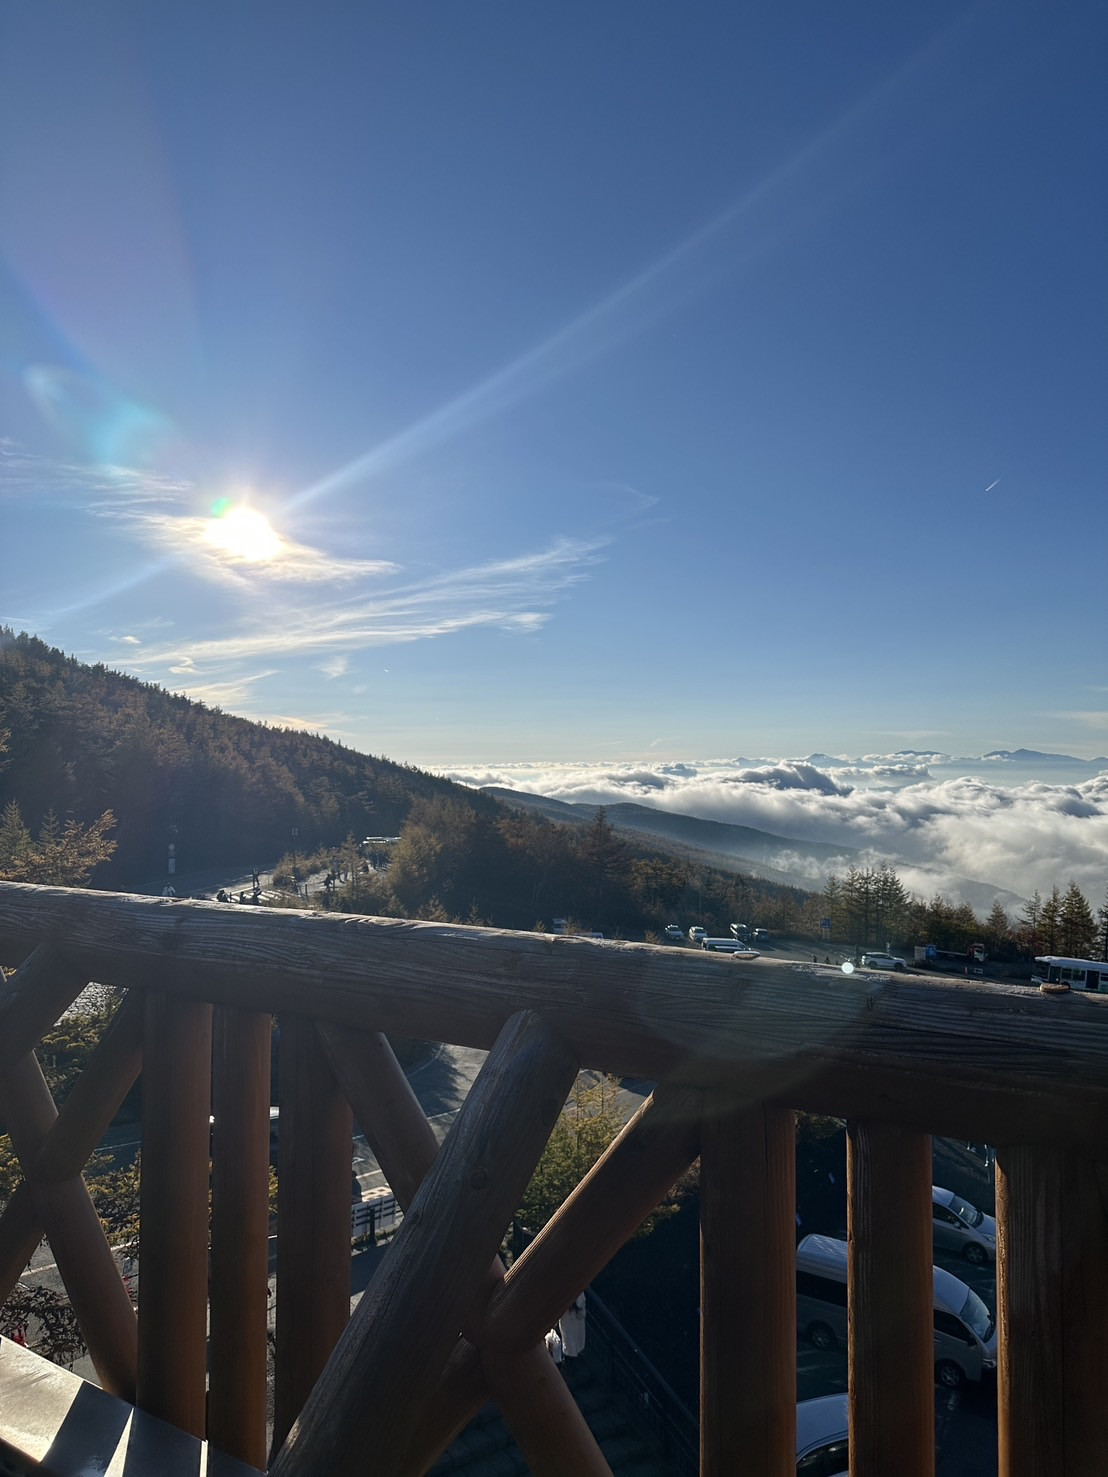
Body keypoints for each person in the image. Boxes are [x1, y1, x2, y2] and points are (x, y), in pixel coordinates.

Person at [560, 1292, 586, 1358]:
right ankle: (570, 1356)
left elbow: (581, 1301)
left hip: (574, 1315)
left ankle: (575, 1355)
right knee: (569, 1340)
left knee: (575, 1338)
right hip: (568, 1315)